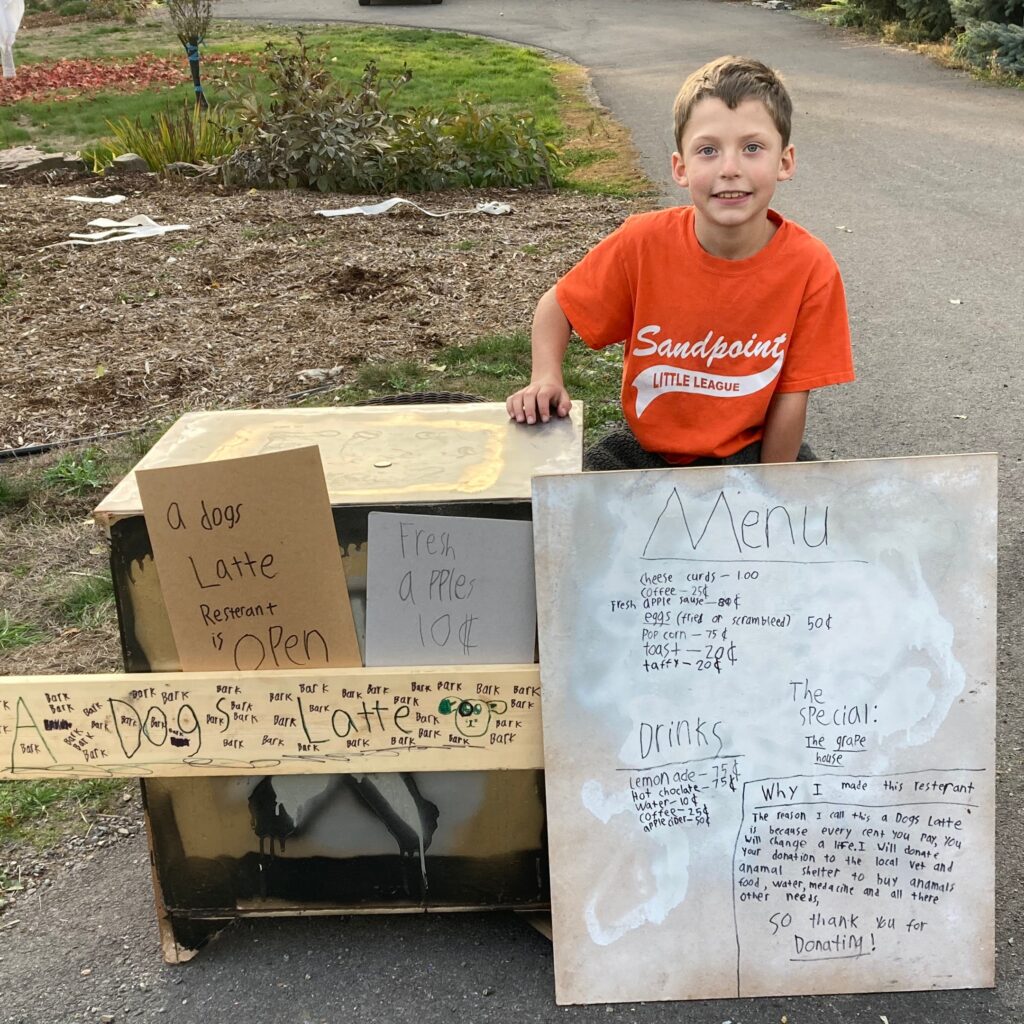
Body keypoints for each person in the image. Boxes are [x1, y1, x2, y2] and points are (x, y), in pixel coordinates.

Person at [505, 55, 854, 470]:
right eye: (708, 150)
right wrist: (546, 377)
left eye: (752, 148)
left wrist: (766, 495)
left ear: (784, 162)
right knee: (567, 514)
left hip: (755, 451)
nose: (730, 169)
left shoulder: (810, 267)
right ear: (681, 167)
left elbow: (792, 398)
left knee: (819, 521)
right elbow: (558, 306)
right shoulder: (642, 242)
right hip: (647, 451)